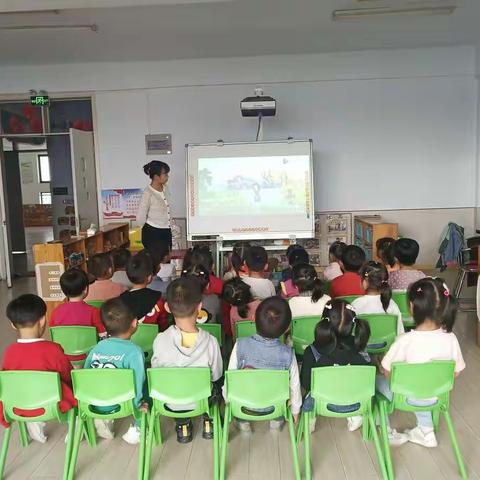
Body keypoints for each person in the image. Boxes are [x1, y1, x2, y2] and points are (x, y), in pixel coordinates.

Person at [379, 277, 465, 448]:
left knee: (375, 382)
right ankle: (426, 431)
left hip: (403, 396)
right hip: (437, 395)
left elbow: (386, 370)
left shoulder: (404, 340)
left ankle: (387, 431)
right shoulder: (451, 339)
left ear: (411, 307)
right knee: (424, 384)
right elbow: (456, 372)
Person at [151, 277, 223, 444]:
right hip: (202, 400)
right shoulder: (210, 341)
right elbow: (216, 375)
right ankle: (208, 422)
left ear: (167, 307)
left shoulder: (160, 340)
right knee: (217, 384)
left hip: (169, 400)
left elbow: (157, 370)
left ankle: (183, 427)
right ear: (199, 307)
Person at [0, 294, 76, 443]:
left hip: (19, 403)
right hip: (53, 403)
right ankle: (75, 426)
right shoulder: (53, 349)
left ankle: (32, 420)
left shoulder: (10, 352)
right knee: (74, 392)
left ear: (13, 325)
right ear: (42, 320)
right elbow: (67, 375)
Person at [226, 297, 301, 431]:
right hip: (275, 406)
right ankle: (276, 421)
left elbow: (230, 379)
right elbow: (295, 386)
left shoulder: (240, 345)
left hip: (244, 404)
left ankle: (243, 422)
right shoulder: (288, 353)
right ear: (287, 328)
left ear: (253, 318)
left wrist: (227, 399)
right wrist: (295, 411)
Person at [300, 299, 371, 432]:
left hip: (321, 401)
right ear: (353, 324)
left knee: (309, 396)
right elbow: (367, 378)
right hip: (357, 400)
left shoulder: (312, 351)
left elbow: (305, 383)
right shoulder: (361, 348)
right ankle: (355, 415)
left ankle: (310, 420)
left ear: (324, 321)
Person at [84, 298, 148, 444]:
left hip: (94, 401)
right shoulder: (134, 351)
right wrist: (137, 405)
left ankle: (101, 418)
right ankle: (137, 428)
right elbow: (138, 383)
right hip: (122, 404)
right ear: (134, 323)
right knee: (149, 384)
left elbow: (86, 374)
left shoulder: (97, 348)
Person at [50, 268, 106, 342]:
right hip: (89, 351)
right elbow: (102, 336)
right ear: (85, 289)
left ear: (63, 291)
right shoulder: (94, 311)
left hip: (64, 351)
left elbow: (54, 335)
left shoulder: (56, 312)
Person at [351, 261, 404, 335]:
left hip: (363, 346)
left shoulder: (355, 304)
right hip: (389, 346)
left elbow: (352, 333)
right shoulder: (392, 304)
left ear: (365, 281)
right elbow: (400, 333)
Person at [120, 251, 168, 330]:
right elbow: (163, 326)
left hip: (128, 341)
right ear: (149, 278)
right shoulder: (159, 300)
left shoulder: (121, 301)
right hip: (154, 341)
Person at [137, 160, 172, 249]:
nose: (167, 176)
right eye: (165, 174)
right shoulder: (148, 193)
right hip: (152, 232)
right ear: (156, 176)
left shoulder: (165, 188)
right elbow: (140, 216)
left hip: (166, 230)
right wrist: (146, 229)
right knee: (154, 260)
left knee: (166, 258)